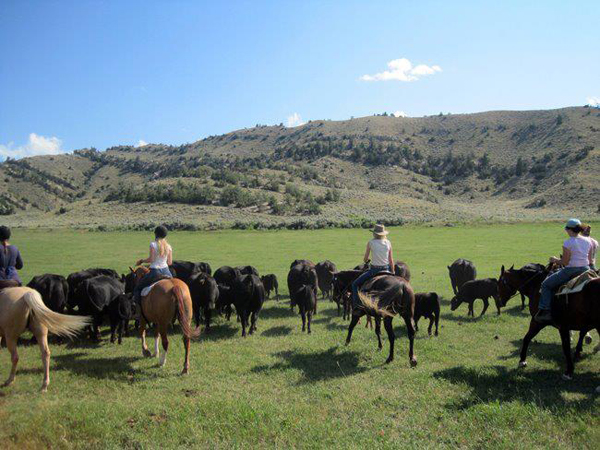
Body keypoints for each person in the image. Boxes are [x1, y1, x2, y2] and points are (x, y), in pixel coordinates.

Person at [535, 219, 593, 324]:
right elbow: (589, 260)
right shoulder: (588, 240)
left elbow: (565, 262)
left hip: (571, 270)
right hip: (586, 269)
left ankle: (546, 310)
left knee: (545, 285)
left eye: (566, 229)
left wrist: (554, 259)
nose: (566, 231)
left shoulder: (568, 242)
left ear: (570, 230)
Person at [351, 224, 394, 312]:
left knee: (354, 284)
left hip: (374, 270)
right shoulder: (388, 242)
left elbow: (365, 258)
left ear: (374, 233)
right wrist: (393, 271)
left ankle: (358, 305)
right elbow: (391, 259)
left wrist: (367, 260)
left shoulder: (371, 242)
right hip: (387, 269)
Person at [133, 225, 173, 304]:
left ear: (156, 234)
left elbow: (151, 260)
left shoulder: (153, 244)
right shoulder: (168, 246)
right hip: (166, 272)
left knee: (137, 289)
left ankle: (138, 311)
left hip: (155, 272)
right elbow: (169, 262)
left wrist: (142, 261)